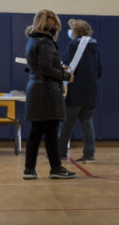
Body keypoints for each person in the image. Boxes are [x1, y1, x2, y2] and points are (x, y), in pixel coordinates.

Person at [22, 10, 76, 180]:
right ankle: (56, 168)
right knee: (51, 131)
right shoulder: (45, 42)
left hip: (35, 88)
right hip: (47, 91)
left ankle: (29, 169)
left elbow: (38, 66)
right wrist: (66, 76)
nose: (55, 28)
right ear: (46, 24)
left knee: (36, 131)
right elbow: (45, 68)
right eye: (53, 25)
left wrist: (59, 69)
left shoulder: (32, 39)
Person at [58, 19, 102, 162]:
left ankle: (61, 153)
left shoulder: (73, 45)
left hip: (74, 91)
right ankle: (89, 154)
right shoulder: (95, 46)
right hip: (90, 92)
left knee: (66, 124)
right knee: (87, 123)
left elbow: (66, 65)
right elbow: (99, 70)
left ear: (76, 31)